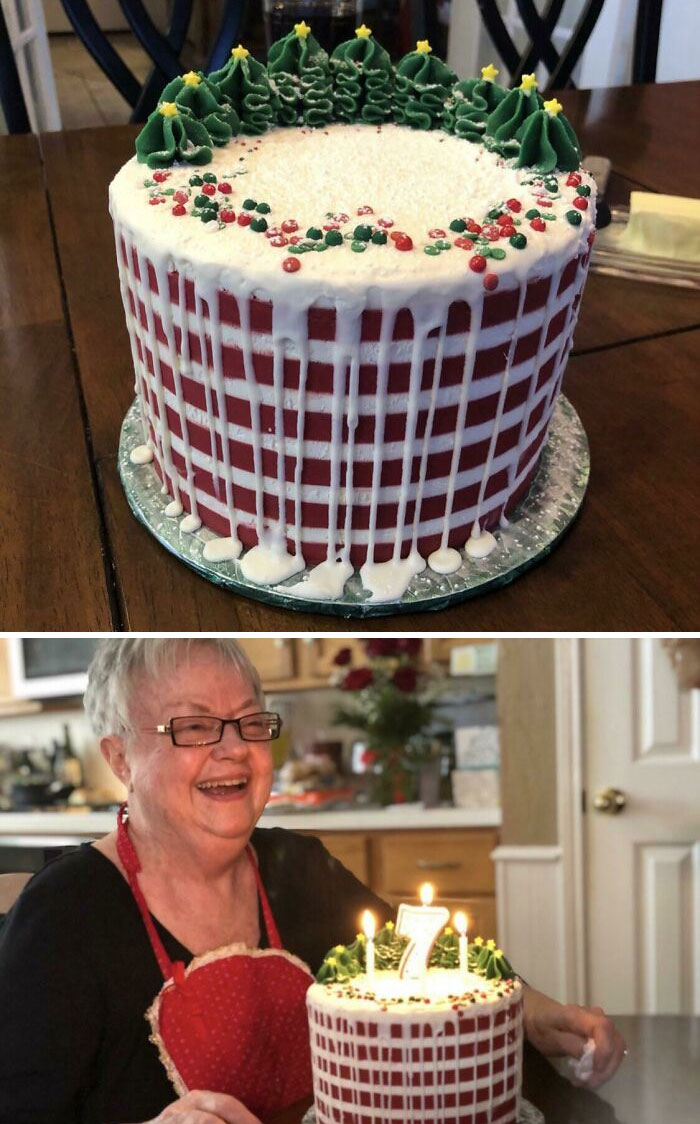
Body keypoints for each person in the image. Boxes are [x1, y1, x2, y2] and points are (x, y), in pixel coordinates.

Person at [0, 638, 627, 1124]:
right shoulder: (65, 914)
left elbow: (427, 960)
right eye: (192, 728)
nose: (233, 748)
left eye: (249, 722)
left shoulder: (297, 866)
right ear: (119, 760)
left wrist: (537, 1014)